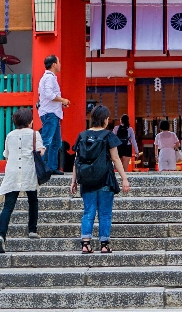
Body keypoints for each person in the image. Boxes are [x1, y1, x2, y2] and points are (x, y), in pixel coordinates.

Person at [70, 105, 131, 253]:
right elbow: (116, 159)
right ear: (104, 119)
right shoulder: (108, 136)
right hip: (105, 179)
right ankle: (104, 245)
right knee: (104, 213)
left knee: (88, 211)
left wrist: (73, 180)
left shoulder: (82, 135)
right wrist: (124, 178)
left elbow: (77, 160)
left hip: (87, 180)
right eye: (108, 118)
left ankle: (86, 244)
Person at [0, 107, 42, 252]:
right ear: (30, 121)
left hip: (13, 172)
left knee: (8, 206)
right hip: (29, 171)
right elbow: (40, 151)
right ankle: (32, 230)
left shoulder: (10, 135)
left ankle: (1, 235)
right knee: (32, 200)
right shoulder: (35, 134)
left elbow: (6, 155)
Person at [34, 55, 66, 174]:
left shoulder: (47, 78)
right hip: (50, 113)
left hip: (52, 113)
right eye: (59, 62)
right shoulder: (49, 78)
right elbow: (49, 95)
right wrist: (63, 100)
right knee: (46, 141)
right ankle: (39, 168)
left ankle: (52, 167)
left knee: (56, 142)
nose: (60, 65)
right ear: (54, 64)